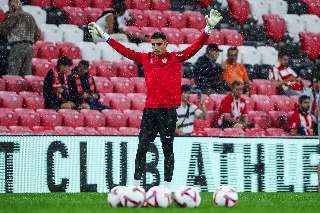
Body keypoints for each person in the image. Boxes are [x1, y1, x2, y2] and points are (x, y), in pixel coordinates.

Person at [88, 9, 222, 189]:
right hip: (150, 110)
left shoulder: (175, 58)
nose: (155, 47)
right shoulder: (146, 58)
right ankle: (135, 186)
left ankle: (166, 187)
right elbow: (125, 50)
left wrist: (208, 29)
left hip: (168, 111)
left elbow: (195, 47)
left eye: (159, 44)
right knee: (142, 147)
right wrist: (104, 36)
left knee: (167, 149)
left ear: (166, 44)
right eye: (153, 44)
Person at [0, 0, 39, 76]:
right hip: (30, 47)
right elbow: (37, 34)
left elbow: (2, 29)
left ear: (12, 6)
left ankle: (12, 88)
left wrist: (6, 17)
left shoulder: (14, 16)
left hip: (17, 46)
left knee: (13, 75)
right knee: (26, 75)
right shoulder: (30, 16)